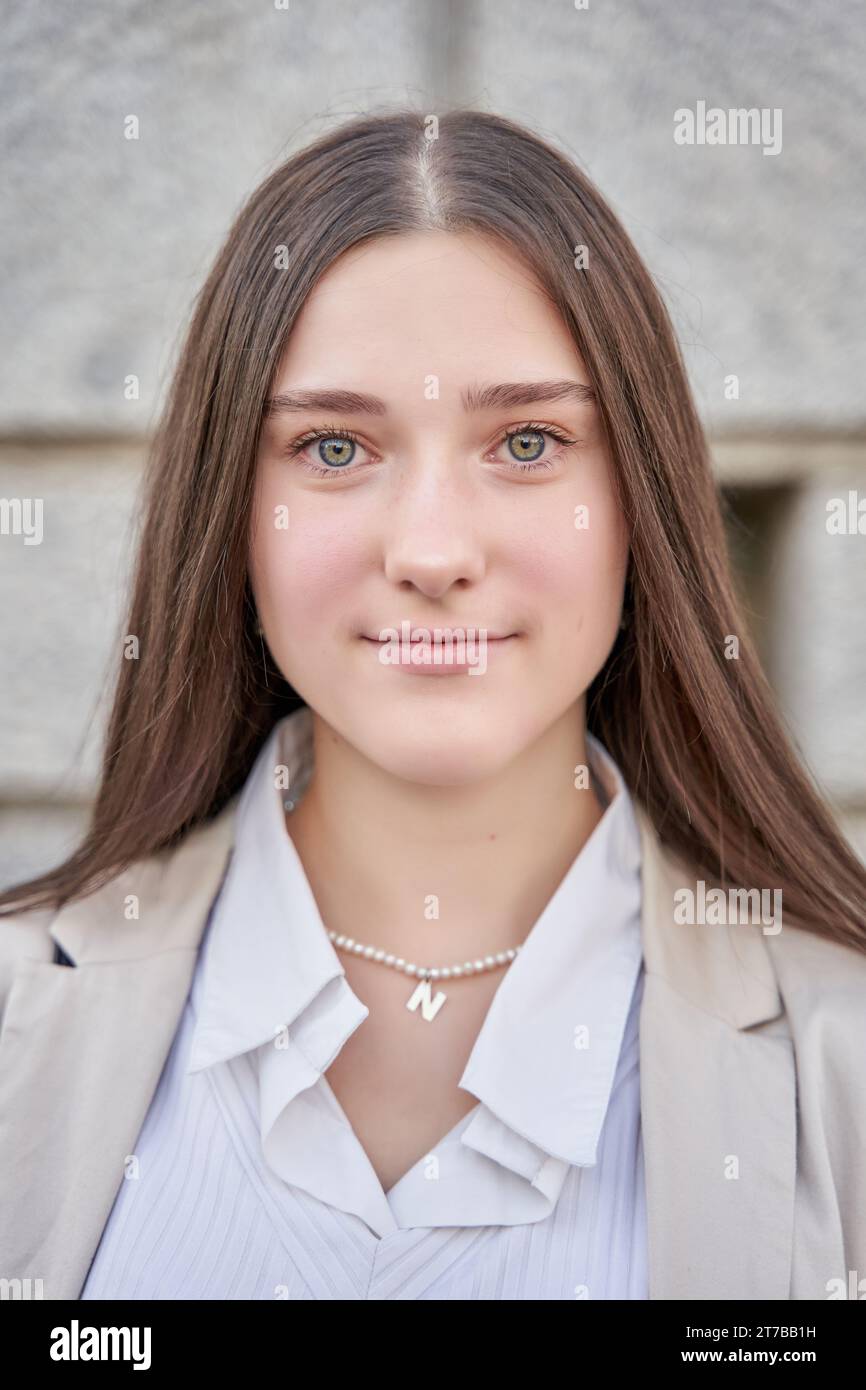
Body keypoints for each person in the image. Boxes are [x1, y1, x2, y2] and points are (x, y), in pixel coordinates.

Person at [1, 109, 864, 1302]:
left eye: (524, 440)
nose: (432, 549)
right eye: (335, 450)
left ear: (638, 501)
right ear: (232, 510)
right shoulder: (18, 1021)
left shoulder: (844, 1063)